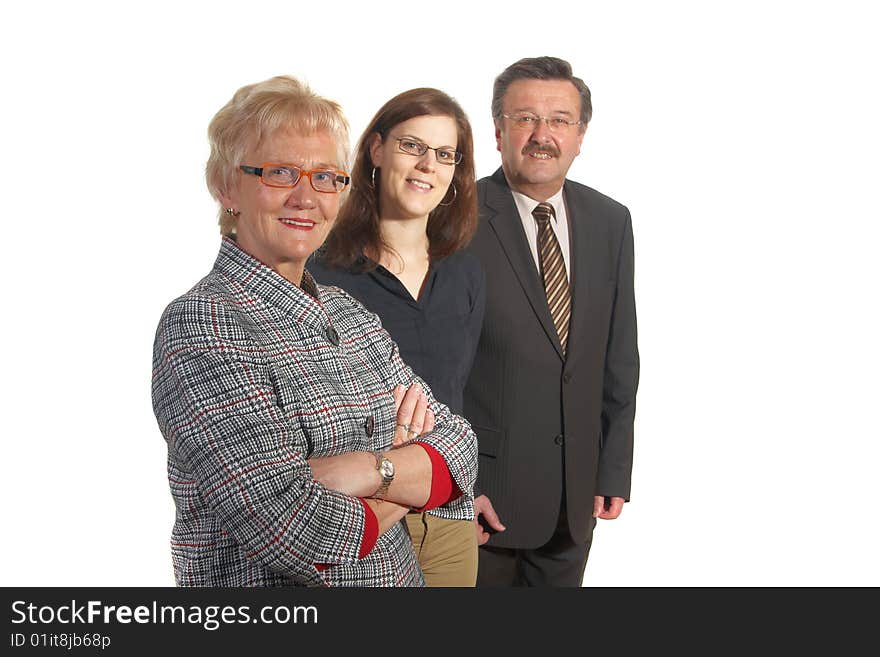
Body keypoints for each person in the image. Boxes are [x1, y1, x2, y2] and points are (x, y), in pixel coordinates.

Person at [151, 75, 477, 587]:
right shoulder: (202, 324)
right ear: (225, 185)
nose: (308, 197)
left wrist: (370, 471)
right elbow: (298, 529)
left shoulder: (348, 312)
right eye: (281, 172)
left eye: (326, 177)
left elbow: (460, 447)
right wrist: (404, 462)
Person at [464, 56, 639, 586]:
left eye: (560, 120)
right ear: (498, 131)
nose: (543, 135)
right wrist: (451, 484)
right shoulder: (455, 217)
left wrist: (612, 467)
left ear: (581, 134)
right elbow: (429, 365)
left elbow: (618, 355)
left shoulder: (611, 220)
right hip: (482, 500)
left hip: (574, 497)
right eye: (524, 119)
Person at [310, 88, 483, 586]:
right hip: (360, 517)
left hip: (450, 515)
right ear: (377, 151)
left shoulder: (465, 273)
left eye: (444, 154)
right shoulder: (323, 272)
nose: (428, 165)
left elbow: (463, 392)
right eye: (412, 146)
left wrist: (474, 485)